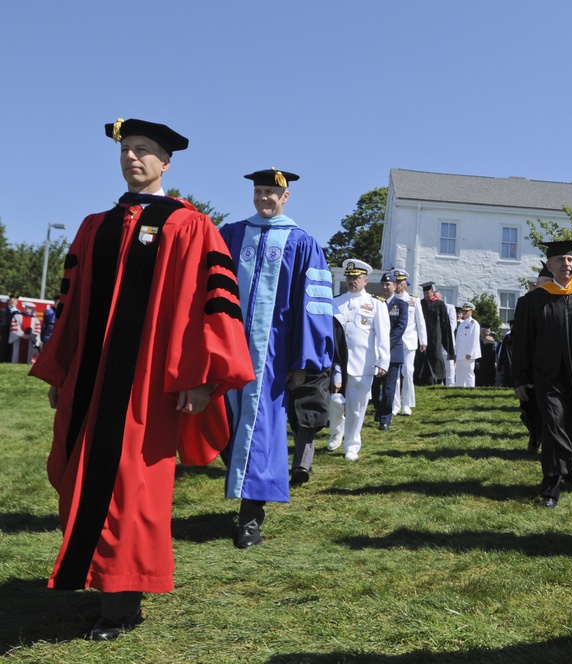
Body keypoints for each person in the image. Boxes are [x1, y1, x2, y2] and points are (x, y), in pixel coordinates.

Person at [29, 118, 254, 641]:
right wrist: (61, 372)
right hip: (90, 379)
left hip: (148, 387)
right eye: (127, 150)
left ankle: (121, 602)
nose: (133, 157)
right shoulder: (94, 227)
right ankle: (100, 579)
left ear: (165, 163)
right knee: (80, 476)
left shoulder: (190, 225)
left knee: (132, 488)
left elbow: (211, 306)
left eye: (144, 150)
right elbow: (71, 308)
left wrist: (201, 380)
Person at [219, 168, 334, 549]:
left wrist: (303, 362)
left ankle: (250, 517)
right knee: (223, 427)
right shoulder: (232, 234)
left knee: (261, 434)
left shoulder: (302, 243)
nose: (264, 198)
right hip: (227, 351)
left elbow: (313, 307)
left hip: (272, 359)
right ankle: (242, 489)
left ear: (286, 198)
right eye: (259, 191)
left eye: (271, 192)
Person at [513, 240, 572, 508]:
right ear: (549, 265)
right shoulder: (533, 301)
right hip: (548, 377)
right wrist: (521, 378)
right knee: (555, 426)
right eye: (560, 260)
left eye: (569, 260)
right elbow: (522, 343)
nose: (566, 264)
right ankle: (551, 487)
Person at [328, 259, 389, 460]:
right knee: (334, 401)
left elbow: (382, 335)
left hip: (363, 363)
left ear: (365, 280)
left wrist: (383, 361)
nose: (352, 281)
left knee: (356, 407)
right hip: (337, 363)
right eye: (349, 277)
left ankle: (352, 445)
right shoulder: (336, 302)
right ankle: (337, 430)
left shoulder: (376, 304)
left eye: (356, 278)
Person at [372, 271, 408, 430]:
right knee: (374, 387)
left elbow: (400, 327)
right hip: (374, 353)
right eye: (383, 284)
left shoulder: (401, 305)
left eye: (388, 284)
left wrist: (385, 345)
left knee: (389, 388)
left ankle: (385, 418)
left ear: (395, 286)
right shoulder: (374, 303)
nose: (385, 287)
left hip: (393, 352)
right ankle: (378, 408)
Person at [390, 269, 426, 416]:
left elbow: (420, 321)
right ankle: (395, 404)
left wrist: (423, 340)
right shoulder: (389, 300)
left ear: (405, 283)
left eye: (401, 281)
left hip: (410, 340)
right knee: (395, 373)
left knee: (408, 371)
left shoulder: (414, 299)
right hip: (394, 341)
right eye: (396, 281)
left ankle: (407, 404)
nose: (399, 284)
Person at [415, 282, 454, 385]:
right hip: (423, 334)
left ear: (432, 292)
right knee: (422, 355)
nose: (426, 295)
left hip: (435, 334)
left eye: (428, 293)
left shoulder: (439, 304)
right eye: (425, 293)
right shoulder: (421, 303)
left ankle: (438, 377)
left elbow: (444, 321)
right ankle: (422, 378)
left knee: (436, 355)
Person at [454, 302, 481, 388]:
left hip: (468, 353)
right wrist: (456, 352)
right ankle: (459, 387)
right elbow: (458, 339)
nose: (465, 313)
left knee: (468, 372)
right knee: (459, 372)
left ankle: (470, 388)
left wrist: (470, 353)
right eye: (463, 311)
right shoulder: (462, 324)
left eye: (467, 311)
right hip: (460, 353)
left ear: (471, 312)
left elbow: (474, 339)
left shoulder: (474, 323)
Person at [440, 290, 458, 386]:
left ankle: (450, 383)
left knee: (449, 364)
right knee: (439, 363)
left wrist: (442, 333)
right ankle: (440, 382)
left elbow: (452, 324)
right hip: (436, 340)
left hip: (447, 340)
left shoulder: (449, 307)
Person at [0, 295, 15, 363]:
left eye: (14, 300)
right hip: (4, 333)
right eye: (11, 300)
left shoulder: (17, 312)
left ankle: (10, 360)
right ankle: (2, 360)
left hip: (13, 334)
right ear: (8, 301)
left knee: (11, 348)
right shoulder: (3, 310)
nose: (12, 302)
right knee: (3, 347)